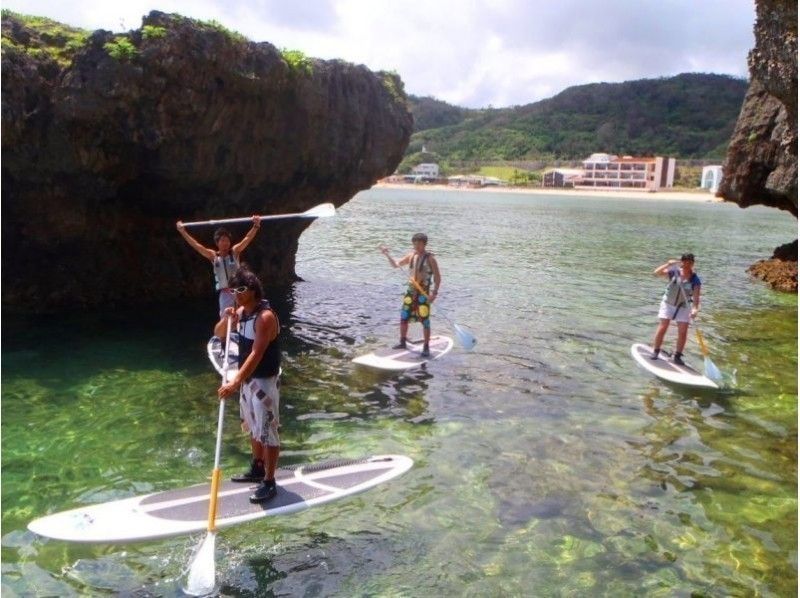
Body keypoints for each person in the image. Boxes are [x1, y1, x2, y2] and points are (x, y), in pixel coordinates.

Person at [214, 267, 282, 503]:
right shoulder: (242, 312)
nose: (237, 294)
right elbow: (219, 333)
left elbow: (256, 354)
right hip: (248, 382)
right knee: (253, 427)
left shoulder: (265, 317)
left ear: (253, 290)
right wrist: (228, 318)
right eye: (233, 290)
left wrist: (234, 382)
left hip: (264, 383)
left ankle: (270, 480)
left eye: (241, 289)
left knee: (268, 431)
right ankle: (257, 468)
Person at [176, 216, 261, 315]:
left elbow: (247, 239)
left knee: (245, 314)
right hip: (225, 293)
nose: (226, 243)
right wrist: (183, 232)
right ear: (217, 243)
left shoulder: (235, 251)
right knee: (226, 318)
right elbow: (196, 245)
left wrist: (256, 226)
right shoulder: (213, 256)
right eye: (222, 240)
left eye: (227, 240)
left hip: (240, 290)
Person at [379, 233, 442, 357]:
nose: (416, 246)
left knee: (425, 320)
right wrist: (387, 255)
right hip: (411, 291)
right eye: (414, 243)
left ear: (424, 244)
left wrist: (434, 294)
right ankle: (402, 342)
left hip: (423, 293)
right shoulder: (411, 256)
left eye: (419, 243)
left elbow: (438, 278)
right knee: (404, 316)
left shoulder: (430, 259)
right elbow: (395, 265)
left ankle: (426, 347)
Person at [650, 253, 702, 366]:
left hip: (684, 306)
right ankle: (656, 351)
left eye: (690, 262)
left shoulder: (695, 279)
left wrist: (695, 309)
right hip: (668, 304)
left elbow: (696, 297)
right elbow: (656, 273)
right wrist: (667, 264)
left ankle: (678, 355)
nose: (688, 264)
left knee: (683, 332)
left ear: (693, 263)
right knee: (663, 327)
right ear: (682, 262)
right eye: (685, 262)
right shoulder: (674, 272)